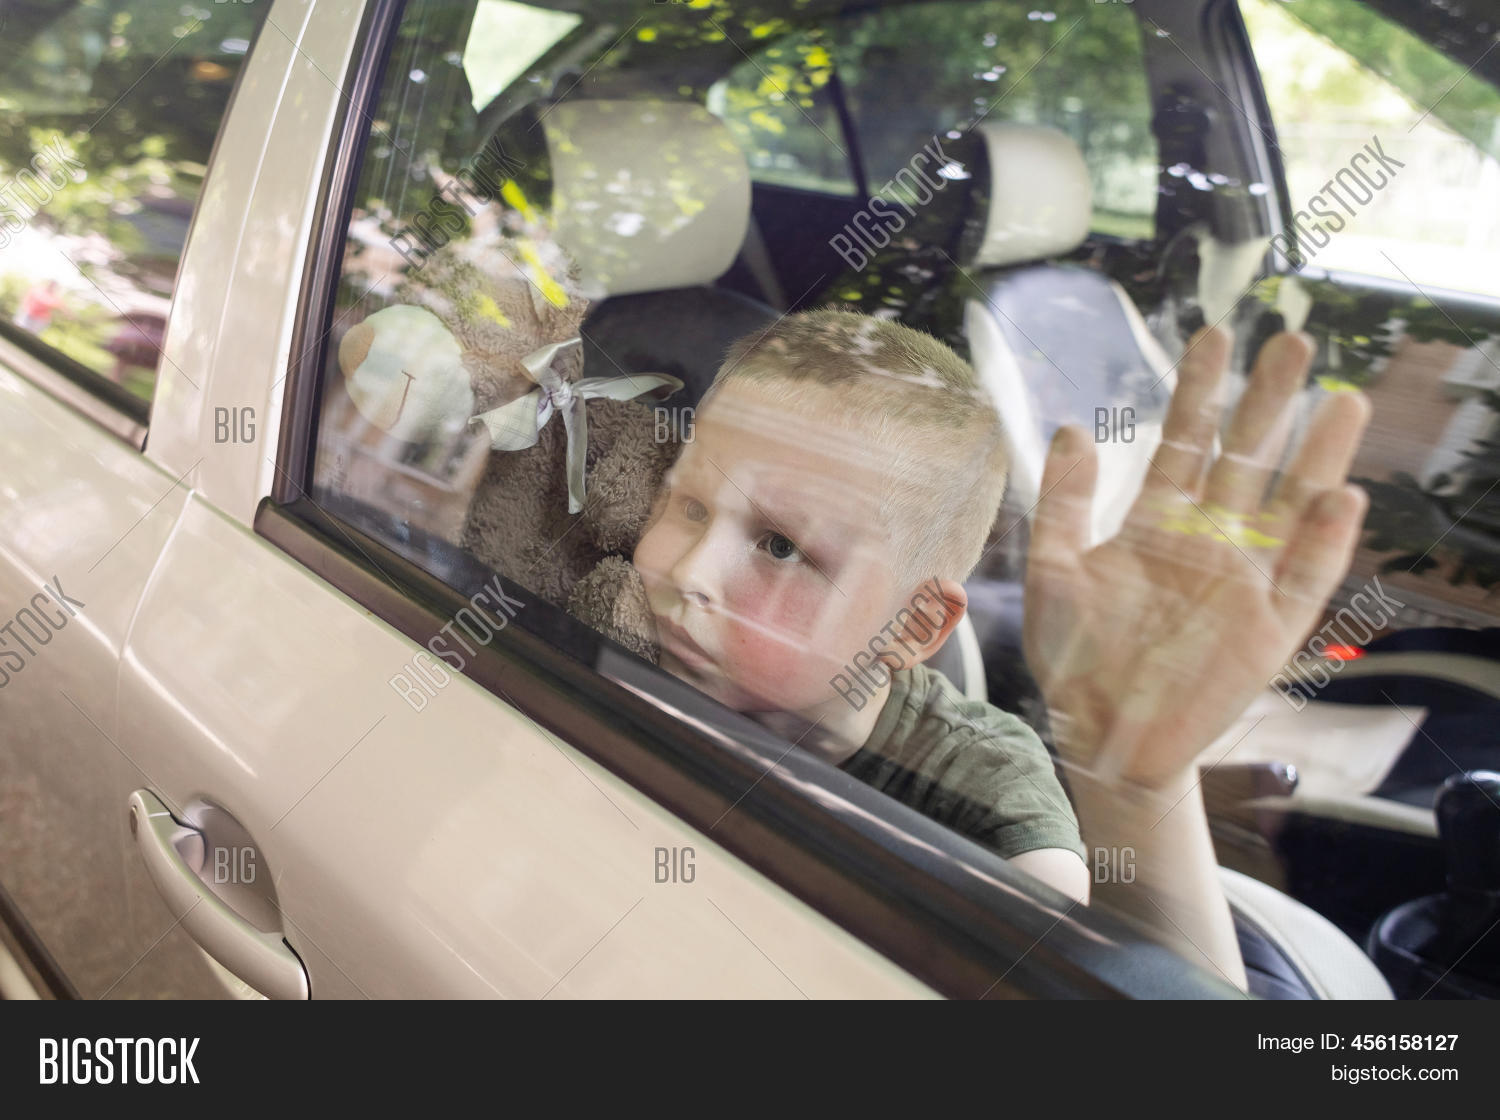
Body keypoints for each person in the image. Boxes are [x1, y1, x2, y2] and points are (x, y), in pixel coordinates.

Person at [632, 310, 1371, 990]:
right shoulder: (616, 620)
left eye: (782, 546)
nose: (689, 572)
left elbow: (1068, 975)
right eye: (689, 504)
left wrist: (1135, 790)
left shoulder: (979, 782)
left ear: (914, 626)